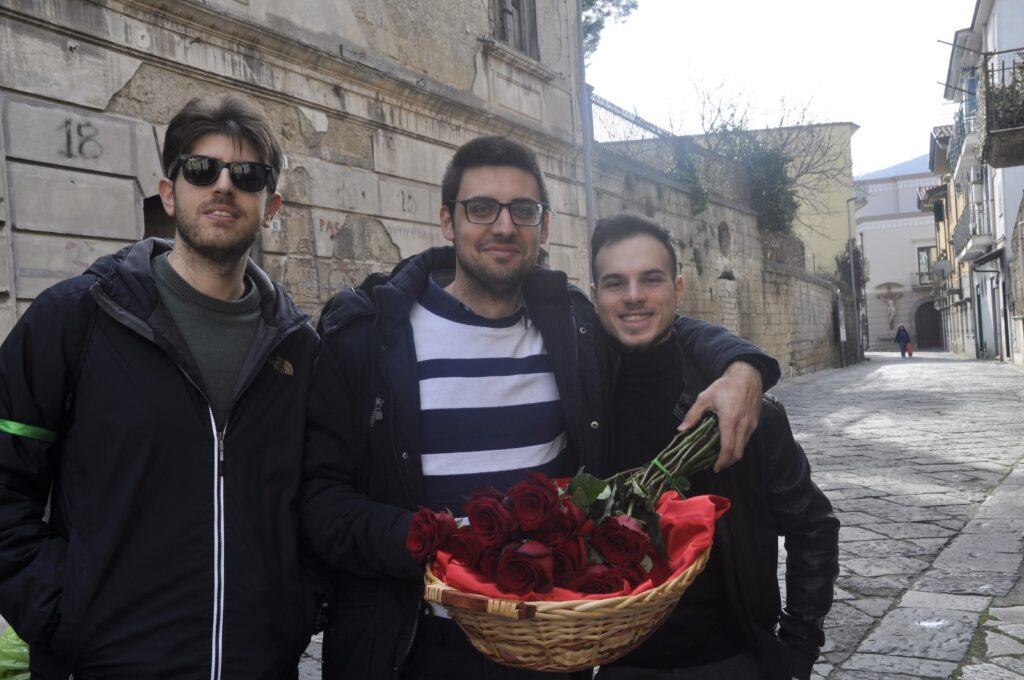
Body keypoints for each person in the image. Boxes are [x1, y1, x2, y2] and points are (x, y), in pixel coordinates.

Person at [300, 136, 781, 680]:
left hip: (549, 653)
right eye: (481, 208)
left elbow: (651, 317)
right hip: (412, 646)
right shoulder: (368, 338)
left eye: (523, 210)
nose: (504, 227)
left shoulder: (571, 329)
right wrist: (429, 543)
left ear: (544, 227)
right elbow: (319, 501)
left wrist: (744, 364)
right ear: (446, 222)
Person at [0, 95, 327, 678]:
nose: (223, 186)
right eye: (202, 169)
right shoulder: (76, 320)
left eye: (246, 175)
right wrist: (64, 610)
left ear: (270, 205)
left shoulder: (299, 351)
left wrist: (300, 606)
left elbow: (321, 496)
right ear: (170, 192)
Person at [589, 213, 839, 680]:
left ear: (679, 289)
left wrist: (797, 647)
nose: (634, 296)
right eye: (615, 283)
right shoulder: (585, 405)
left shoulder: (745, 407)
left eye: (651, 279)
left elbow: (814, 528)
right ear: (594, 297)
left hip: (731, 659)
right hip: (620, 664)